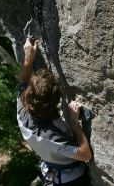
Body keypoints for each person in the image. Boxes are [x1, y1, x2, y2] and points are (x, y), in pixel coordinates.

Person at [17, 37, 92, 185]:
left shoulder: (22, 109)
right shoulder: (54, 136)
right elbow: (85, 154)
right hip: (70, 180)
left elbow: (23, 79)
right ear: (56, 101)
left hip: (50, 172)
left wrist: (28, 58)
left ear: (29, 95)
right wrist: (74, 123)